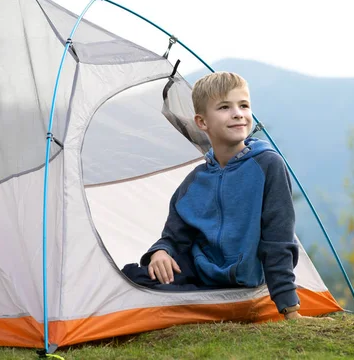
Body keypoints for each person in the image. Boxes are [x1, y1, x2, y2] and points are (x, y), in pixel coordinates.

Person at [123, 71, 305, 319]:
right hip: (202, 272)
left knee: (157, 298)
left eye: (244, 105)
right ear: (202, 122)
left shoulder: (267, 165)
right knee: (133, 276)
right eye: (224, 107)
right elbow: (176, 236)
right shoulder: (195, 181)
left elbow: (278, 238)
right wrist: (160, 252)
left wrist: (288, 307)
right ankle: (200, 303)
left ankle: (195, 305)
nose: (238, 113)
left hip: (246, 278)